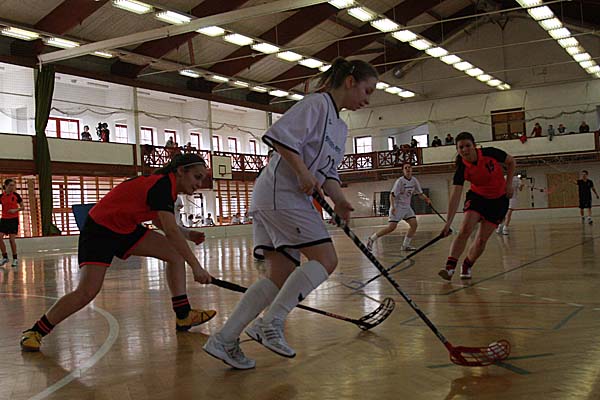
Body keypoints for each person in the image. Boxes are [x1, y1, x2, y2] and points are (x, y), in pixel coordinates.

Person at [202, 57, 378, 370]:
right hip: (280, 194)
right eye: (367, 90)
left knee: (279, 275)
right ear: (350, 81)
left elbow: (327, 172)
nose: (367, 99)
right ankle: (270, 323)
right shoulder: (316, 104)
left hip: (279, 198)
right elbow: (280, 136)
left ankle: (224, 339)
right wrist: (301, 172)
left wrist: (340, 200)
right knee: (326, 259)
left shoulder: (340, 128)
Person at [20, 153, 216, 352]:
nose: (199, 184)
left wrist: (188, 234)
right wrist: (197, 267)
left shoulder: (166, 186)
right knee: (86, 292)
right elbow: (171, 231)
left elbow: (159, 220)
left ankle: (183, 315)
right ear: (181, 171)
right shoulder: (162, 185)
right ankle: (35, 332)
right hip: (100, 230)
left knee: (174, 255)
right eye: (197, 177)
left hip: (125, 229)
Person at [438, 132, 516, 281]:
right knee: (465, 229)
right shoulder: (461, 168)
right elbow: (455, 197)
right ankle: (450, 268)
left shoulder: (490, 153)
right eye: (461, 147)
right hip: (478, 198)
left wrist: (509, 184)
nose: (465, 150)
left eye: (467, 145)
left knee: (481, 240)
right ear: (457, 150)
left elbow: (511, 162)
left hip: (499, 201)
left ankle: (467, 264)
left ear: (474, 146)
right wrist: (447, 224)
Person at [367, 163, 431, 252]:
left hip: (407, 207)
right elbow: (392, 195)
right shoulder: (400, 181)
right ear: (403, 171)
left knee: (414, 225)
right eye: (406, 168)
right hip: (397, 207)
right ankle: (372, 239)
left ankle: (405, 245)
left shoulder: (414, 181)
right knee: (391, 228)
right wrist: (393, 207)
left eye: (409, 167)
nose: (408, 169)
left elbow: (420, 194)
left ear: (412, 169)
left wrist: (427, 199)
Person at [0, 179, 23, 268]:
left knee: (11, 240)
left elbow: (22, 207)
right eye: (10, 185)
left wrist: (15, 210)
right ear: (6, 186)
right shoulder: (1, 196)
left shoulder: (16, 195)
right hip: (4, 219)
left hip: (13, 220)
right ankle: (5, 257)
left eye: (13, 185)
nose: (12, 187)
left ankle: (15, 258)